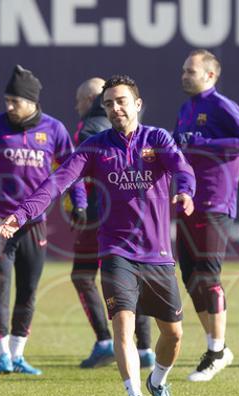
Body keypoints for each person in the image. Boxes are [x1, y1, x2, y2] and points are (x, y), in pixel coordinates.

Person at [0, 75, 196, 396]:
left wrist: (186, 191)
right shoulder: (95, 147)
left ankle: (158, 382)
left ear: (137, 104)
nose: (115, 108)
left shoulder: (157, 138)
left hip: (158, 254)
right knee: (123, 326)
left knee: (174, 335)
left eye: (121, 101)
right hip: (116, 251)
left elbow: (182, 167)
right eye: (108, 103)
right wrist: (22, 213)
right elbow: (57, 181)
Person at [0, 65, 87, 376]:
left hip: (34, 222)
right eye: (6, 100)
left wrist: (79, 204)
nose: (8, 107)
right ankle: (1, 354)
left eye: (14, 101)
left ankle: (18, 354)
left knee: (29, 289)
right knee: (1, 282)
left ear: (32, 102)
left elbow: (71, 171)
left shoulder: (54, 130)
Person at [173, 49, 239, 381]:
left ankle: (215, 351)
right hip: (188, 202)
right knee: (190, 277)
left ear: (210, 76)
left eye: (191, 71)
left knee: (208, 277)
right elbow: (180, 150)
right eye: (183, 69)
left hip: (215, 202)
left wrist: (206, 142)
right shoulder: (185, 109)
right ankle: (219, 348)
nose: (184, 75)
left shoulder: (221, 106)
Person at [72, 77, 154, 369]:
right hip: (132, 214)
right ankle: (145, 348)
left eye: (80, 99)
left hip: (98, 213)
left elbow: (77, 171)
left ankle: (105, 341)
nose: (76, 105)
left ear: (91, 99)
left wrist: (78, 204)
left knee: (83, 276)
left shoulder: (89, 128)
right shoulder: (132, 127)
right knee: (133, 278)